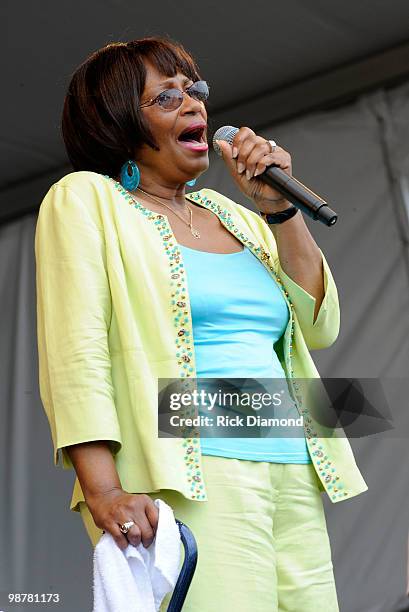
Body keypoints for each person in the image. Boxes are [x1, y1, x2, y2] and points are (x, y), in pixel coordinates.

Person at [34, 36, 368, 611]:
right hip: (194, 471)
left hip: (294, 467)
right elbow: (76, 353)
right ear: (116, 122)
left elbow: (320, 327)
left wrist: (281, 210)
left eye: (195, 91)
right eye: (166, 98)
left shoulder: (235, 214)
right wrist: (104, 490)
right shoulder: (88, 199)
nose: (195, 106)